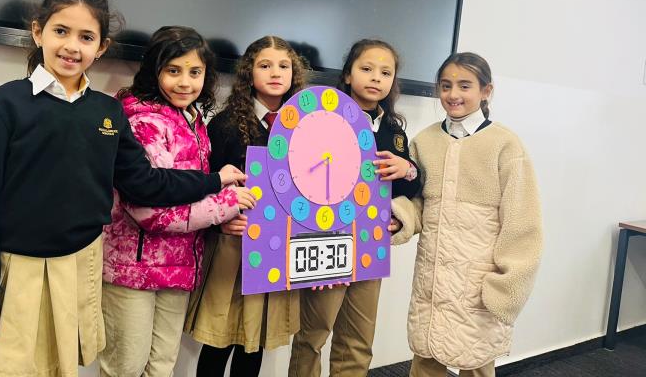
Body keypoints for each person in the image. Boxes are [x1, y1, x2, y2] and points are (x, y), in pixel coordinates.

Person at [0, 0, 245, 377]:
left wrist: (214, 181)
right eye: (61, 31)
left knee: (64, 368)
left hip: (81, 263)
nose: (72, 46)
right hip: (20, 267)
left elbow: (145, 183)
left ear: (101, 47)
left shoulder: (107, 112)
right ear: (38, 32)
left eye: (86, 37)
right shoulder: (3, 106)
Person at [99, 26, 256, 377]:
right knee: (125, 368)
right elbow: (148, 212)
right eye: (173, 70)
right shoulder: (143, 121)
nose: (185, 82)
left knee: (162, 366)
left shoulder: (194, 121)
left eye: (195, 72)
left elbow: (190, 190)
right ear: (154, 70)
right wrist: (225, 204)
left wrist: (221, 206)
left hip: (180, 267)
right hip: (133, 270)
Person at [391, 52, 543, 377]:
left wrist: (508, 285)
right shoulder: (424, 141)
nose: (453, 94)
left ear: (486, 90)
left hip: (478, 285)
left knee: (475, 362)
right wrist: (401, 216)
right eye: (446, 86)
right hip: (431, 280)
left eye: (464, 85)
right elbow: (417, 202)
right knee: (425, 356)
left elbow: (522, 223)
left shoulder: (505, 145)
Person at [288, 39, 421, 377]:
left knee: (358, 340)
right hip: (327, 240)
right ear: (347, 74)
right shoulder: (322, 118)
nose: (376, 77)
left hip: (370, 244)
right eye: (366, 69)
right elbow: (302, 180)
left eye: (386, 73)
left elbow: (407, 190)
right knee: (312, 336)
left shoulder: (394, 132)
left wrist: (407, 170)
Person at [186, 36, 309, 377]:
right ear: (248, 73)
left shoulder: (306, 125)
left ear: (294, 74)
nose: (275, 73)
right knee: (219, 339)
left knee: (254, 339)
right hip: (233, 246)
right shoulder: (225, 125)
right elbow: (204, 183)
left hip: (277, 246)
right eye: (264, 65)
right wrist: (220, 220)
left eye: (283, 66)